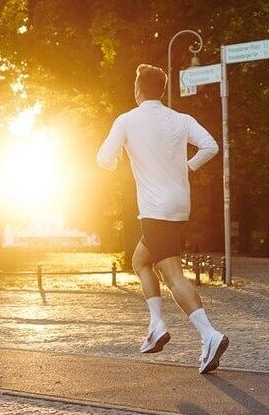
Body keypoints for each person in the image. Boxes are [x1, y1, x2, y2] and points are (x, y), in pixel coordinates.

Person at [96, 63, 228, 374]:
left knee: (172, 274)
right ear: (163, 91)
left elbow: (103, 160)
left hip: (155, 209)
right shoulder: (181, 119)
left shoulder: (127, 120)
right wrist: (189, 166)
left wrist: (116, 161)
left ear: (137, 90)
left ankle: (209, 335)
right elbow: (211, 146)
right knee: (141, 261)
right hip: (180, 207)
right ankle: (156, 325)